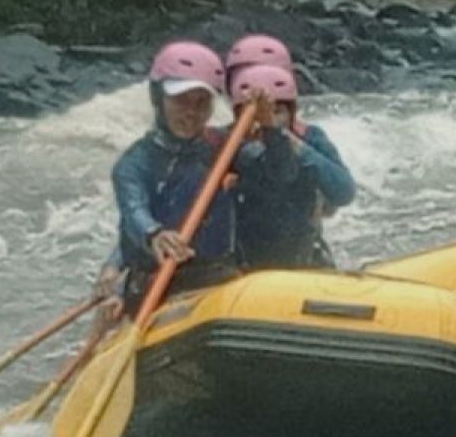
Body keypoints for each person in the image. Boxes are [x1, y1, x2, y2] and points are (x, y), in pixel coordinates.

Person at [105, 40, 290, 317]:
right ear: (158, 98)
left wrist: (271, 130)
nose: (191, 112)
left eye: (201, 103)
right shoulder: (133, 164)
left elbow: (280, 173)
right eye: (180, 101)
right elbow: (134, 211)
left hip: (216, 276)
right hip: (157, 280)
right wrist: (154, 234)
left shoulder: (225, 146)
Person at [224, 35, 356, 268]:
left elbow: (344, 192)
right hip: (245, 264)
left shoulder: (310, 138)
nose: (264, 115)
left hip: (303, 257)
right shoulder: (226, 144)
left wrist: (294, 145)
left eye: (277, 110)